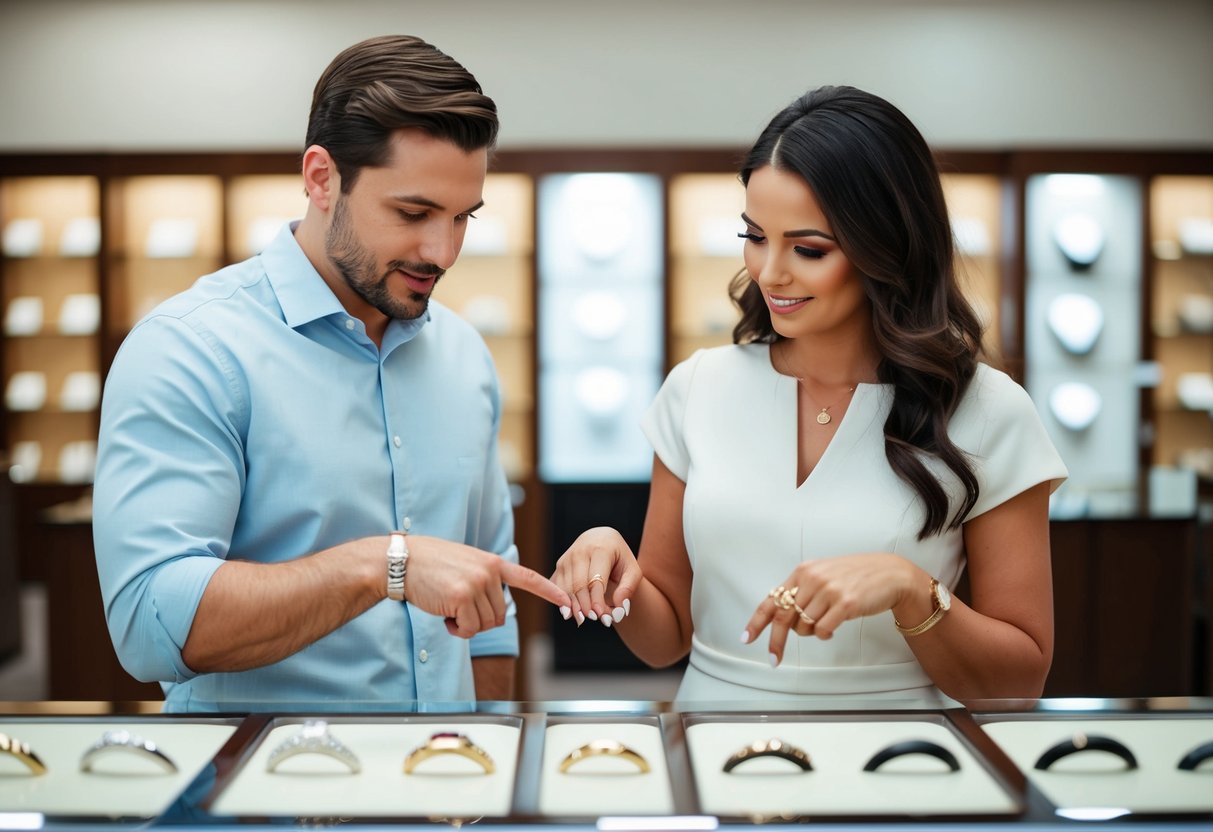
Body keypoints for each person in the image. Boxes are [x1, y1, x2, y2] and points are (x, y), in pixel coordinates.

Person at [93, 34, 569, 712]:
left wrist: (483, 762)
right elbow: (148, 624)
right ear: (320, 178)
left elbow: (489, 605)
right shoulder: (190, 349)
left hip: (443, 790)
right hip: (260, 801)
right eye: (412, 213)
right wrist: (382, 566)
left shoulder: (464, 354)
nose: (442, 251)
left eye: (463, 217)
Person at [552, 86, 1067, 705]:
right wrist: (615, 573)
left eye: (808, 248)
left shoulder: (989, 409)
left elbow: (1019, 680)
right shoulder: (699, 388)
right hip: (716, 756)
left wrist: (911, 589)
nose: (770, 272)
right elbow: (666, 641)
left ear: (889, 244)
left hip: (900, 764)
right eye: (754, 236)